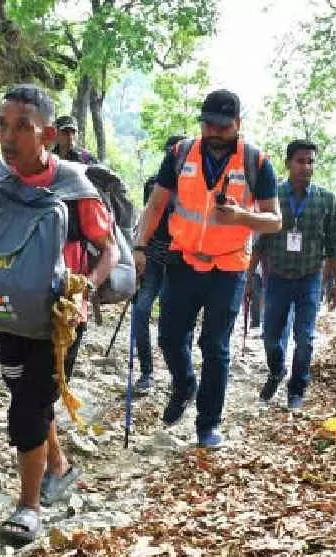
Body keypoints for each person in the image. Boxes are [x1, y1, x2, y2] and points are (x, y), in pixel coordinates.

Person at [0, 84, 116, 544]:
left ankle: (29, 506)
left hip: (60, 313)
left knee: (29, 404)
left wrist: (86, 293)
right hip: (4, 311)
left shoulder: (74, 188)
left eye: (22, 127)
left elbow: (109, 251)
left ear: (46, 134)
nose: (8, 136)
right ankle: (58, 465)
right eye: (3, 125)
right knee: (25, 390)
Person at [132, 89, 281, 448]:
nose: (214, 132)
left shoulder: (256, 162)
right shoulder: (181, 153)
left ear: (237, 125)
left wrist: (243, 216)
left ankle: (207, 423)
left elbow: (275, 220)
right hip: (182, 261)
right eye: (208, 124)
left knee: (214, 346)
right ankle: (184, 384)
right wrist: (139, 247)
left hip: (228, 269)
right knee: (168, 336)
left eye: (222, 126)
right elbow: (155, 206)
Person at [248, 139, 336, 412]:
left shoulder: (326, 199)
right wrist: (248, 277)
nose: (306, 166)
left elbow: (335, 244)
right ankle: (277, 370)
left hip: (310, 278)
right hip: (276, 277)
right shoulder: (273, 196)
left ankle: (297, 388)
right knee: (270, 338)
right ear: (288, 163)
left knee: (305, 339)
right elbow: (260, 241)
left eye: (310, 161)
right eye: (300, 161)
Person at [132, 134, 186, 395]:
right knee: (140, 312)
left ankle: (179, 375)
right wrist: (138, 250)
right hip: (153, 257)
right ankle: (146, 372)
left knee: (174, 319)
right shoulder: (152, 184)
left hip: (180, 262)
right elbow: (148, 216)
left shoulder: (196, 188)